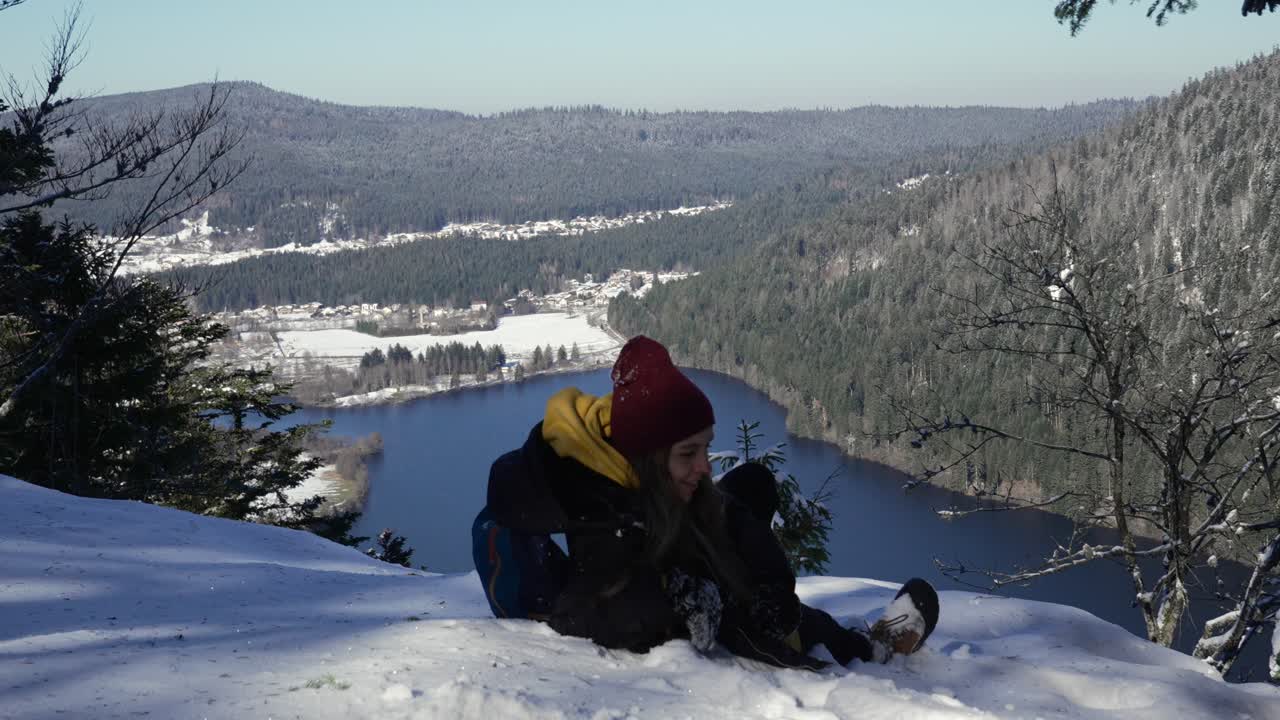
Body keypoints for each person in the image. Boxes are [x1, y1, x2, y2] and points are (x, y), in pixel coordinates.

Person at [485, 335, 936, 669]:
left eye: (705, 448)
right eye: (688, 453)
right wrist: (687, 600)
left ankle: (845, 636)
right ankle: (869, 651)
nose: (704, 465)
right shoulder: (596, 504)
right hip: (628, 599)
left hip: (660, 542)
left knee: (751, 486)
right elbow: (591, 611)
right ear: (647, 456)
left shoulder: (642, 464)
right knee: (772, 618)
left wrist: (770, 584)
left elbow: (725, 512)